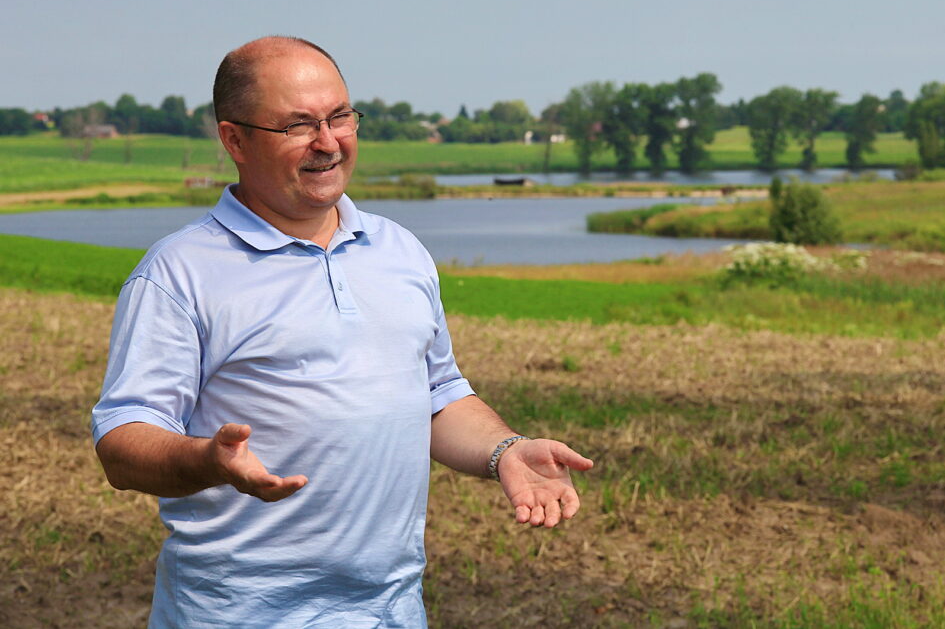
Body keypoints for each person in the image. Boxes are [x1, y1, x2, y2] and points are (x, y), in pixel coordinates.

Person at [91, 36, 593, 628]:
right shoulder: (178, 272)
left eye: (339, 117)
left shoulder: (399, 249)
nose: (328, 142)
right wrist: (208, 460)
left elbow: (438, 395)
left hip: (392, 611)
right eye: (298, 125)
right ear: (234, 140)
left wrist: (505, 451)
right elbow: (123, 445)